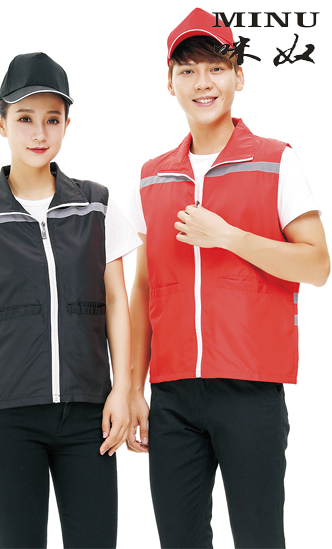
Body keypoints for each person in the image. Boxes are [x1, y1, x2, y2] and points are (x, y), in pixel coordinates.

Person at [127, 8, 330, 549]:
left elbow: (317, 265)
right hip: (172, 394)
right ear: (169, 83)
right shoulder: (151, 177)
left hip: (251, 390)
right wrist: (133, 388)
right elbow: (144, 288)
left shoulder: (276, 161)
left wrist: (230, 237)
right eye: (187, 70)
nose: (203, 83)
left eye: (215, 68)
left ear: (239, 76)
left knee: (260, 539)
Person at [0, 52, 141, 549]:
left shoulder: (96, 205)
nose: (39, 133)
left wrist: (122, 389)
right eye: (24, 118)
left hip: (89, 412)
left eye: (52, 119)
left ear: (67, 124)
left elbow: (117, 301)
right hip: (4, 416)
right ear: (1, 123)